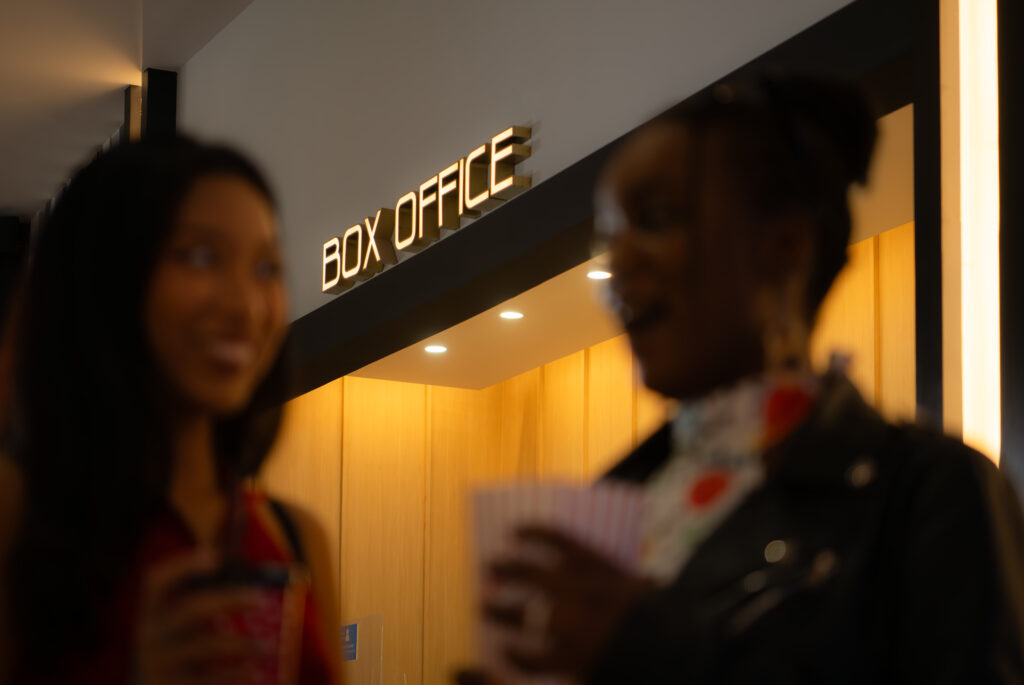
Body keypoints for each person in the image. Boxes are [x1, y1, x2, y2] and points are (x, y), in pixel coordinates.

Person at [464, 74, 1024, 683]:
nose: (618, 264)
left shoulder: (925, 492)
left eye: (656, 219)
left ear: (783, 245)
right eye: (611, 234)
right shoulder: (618, 500)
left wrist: (655, 652)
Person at [0, 137, 341, 684]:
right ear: (110, 276)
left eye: (267, 267)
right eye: (201, 258)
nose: (246, 306)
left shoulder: (295, 537)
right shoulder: (20, 512)